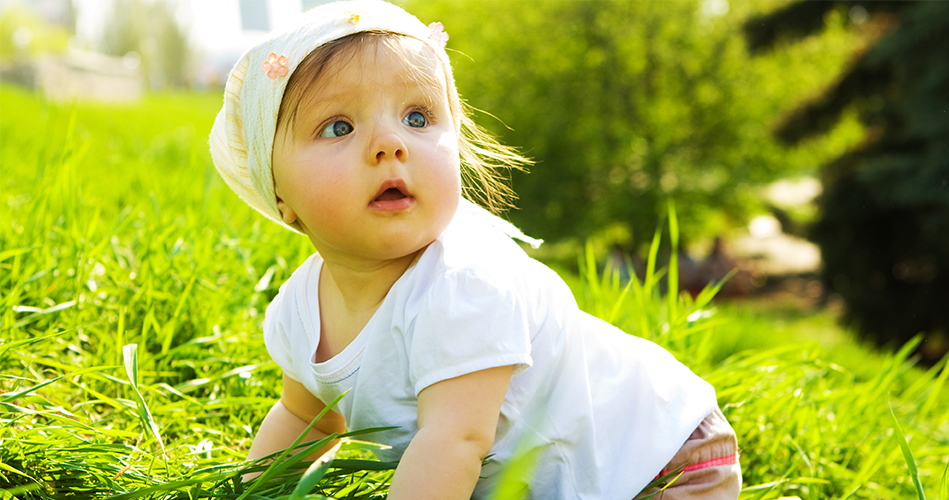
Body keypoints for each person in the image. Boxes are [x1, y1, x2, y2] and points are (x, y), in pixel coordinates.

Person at [208, 1, 740, 498]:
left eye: (417, 118)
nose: (390, 144)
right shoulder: (300, 312)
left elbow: (453, 441)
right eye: (338, 126)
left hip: (660, 457)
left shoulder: (467, 282)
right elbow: (303, 419)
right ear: (279, 194)